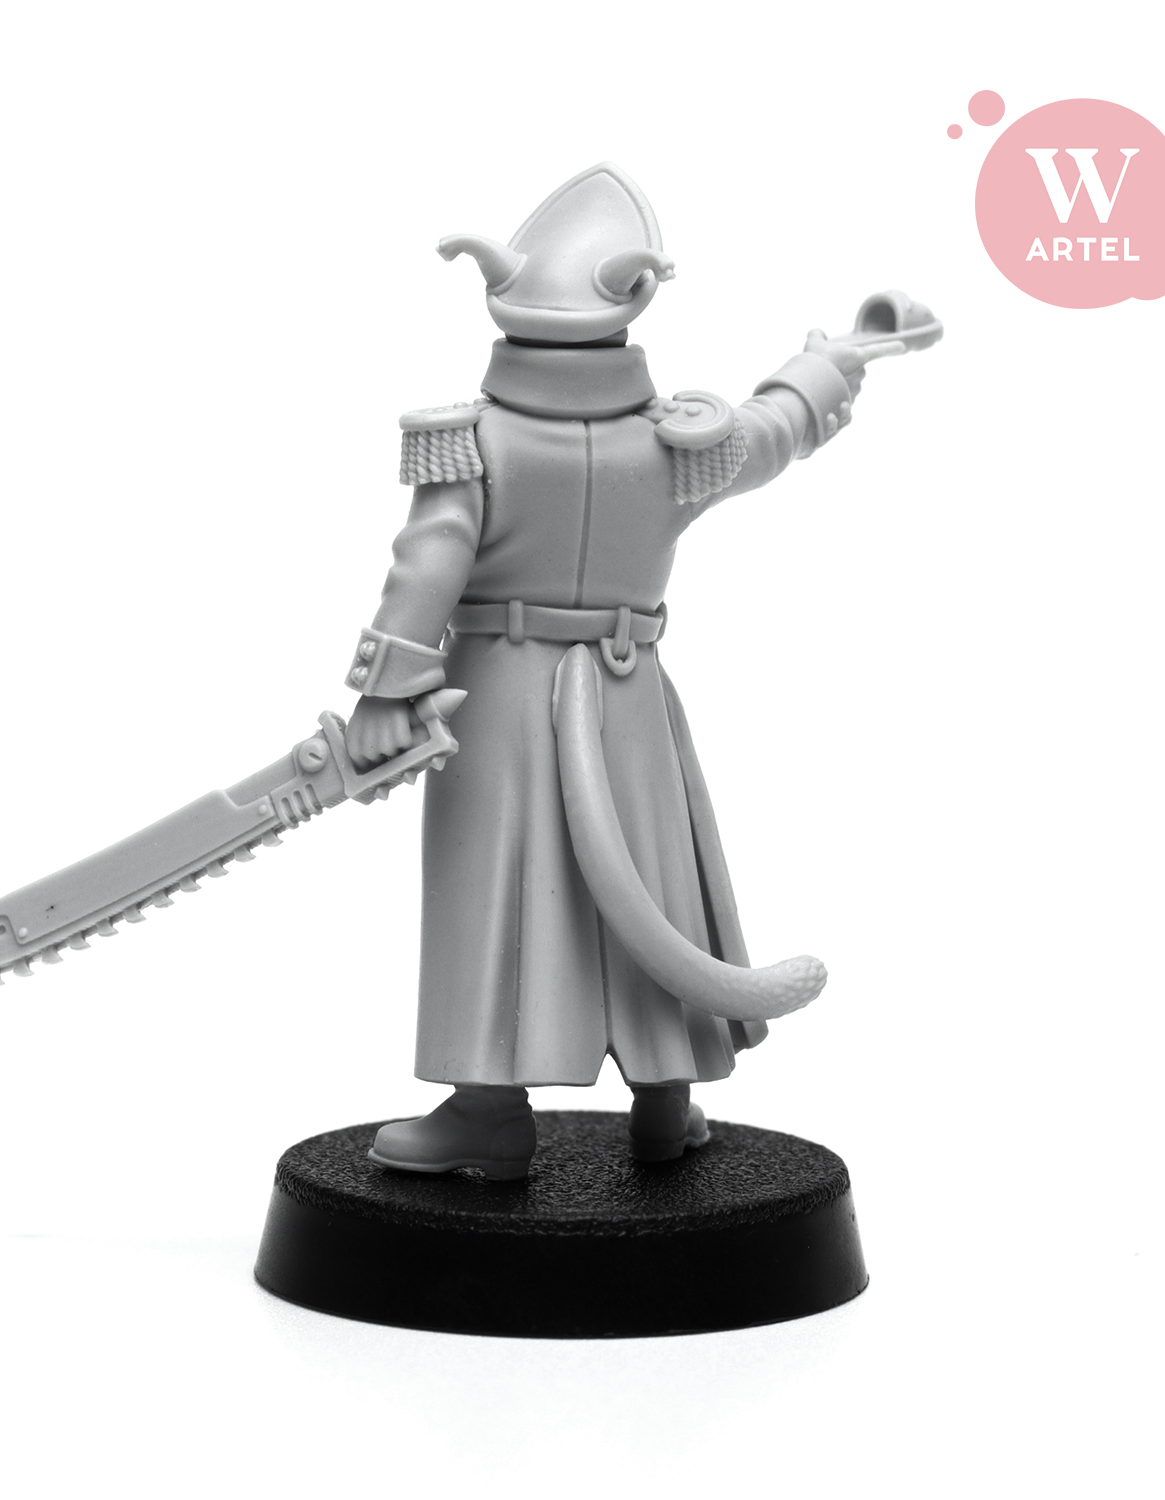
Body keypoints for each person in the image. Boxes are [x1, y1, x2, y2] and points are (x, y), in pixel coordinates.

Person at [341, 163, 885, 1179]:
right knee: (645, 883)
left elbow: (431, 562)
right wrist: (830, 362)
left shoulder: (473, 441)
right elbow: (775, 427)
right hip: (626, 694)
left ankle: (492, 1112)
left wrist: (387, 687)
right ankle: (664, 1102)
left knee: (497, 887)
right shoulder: (679, 443)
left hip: (498, 692)